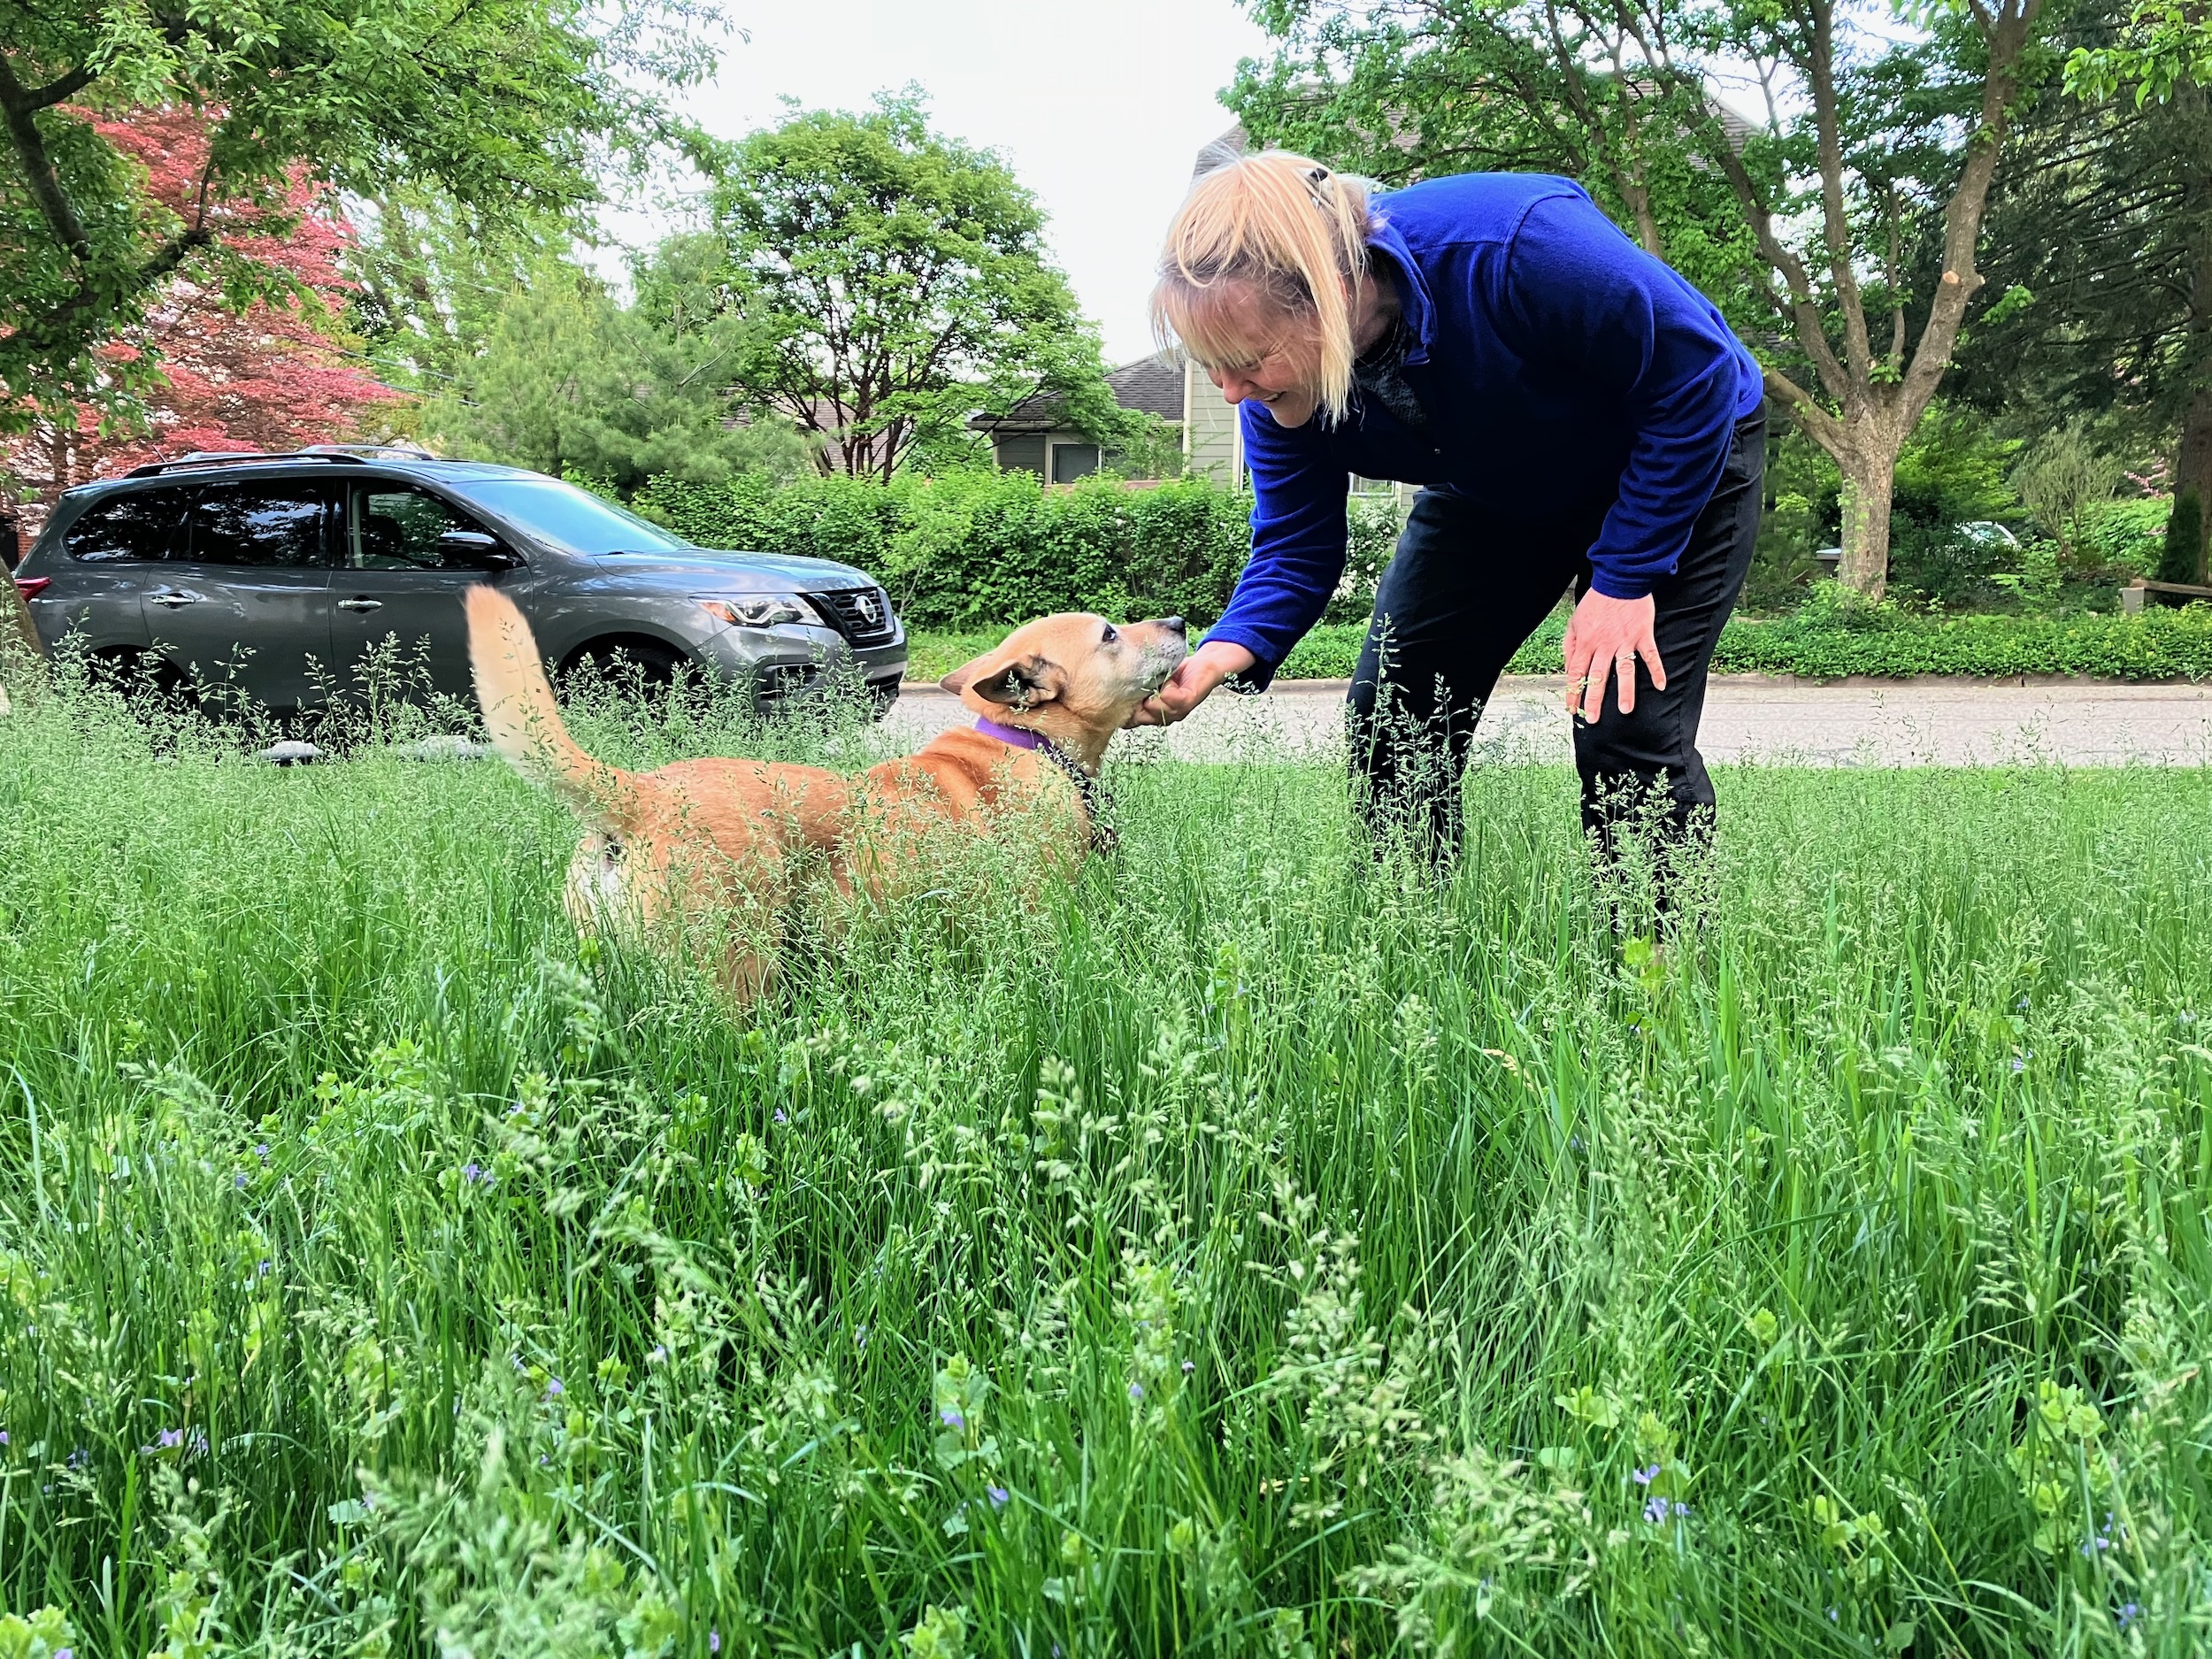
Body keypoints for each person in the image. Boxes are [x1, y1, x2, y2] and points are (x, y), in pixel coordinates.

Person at [1133, 150, 1767, 880]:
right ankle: (1413, 941)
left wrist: (1623, 582)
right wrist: (1220, 652)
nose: (1230, 391)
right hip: (1497, 484)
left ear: (1332, 292)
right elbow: (1296, 547)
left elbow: (1698, 377)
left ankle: (1657, 973)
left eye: (1246, 358)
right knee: (1392, 719)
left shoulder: (1519, 246)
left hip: (1677, 452)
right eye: (1210, 363)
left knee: (1624, 720)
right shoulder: (1276, 401)